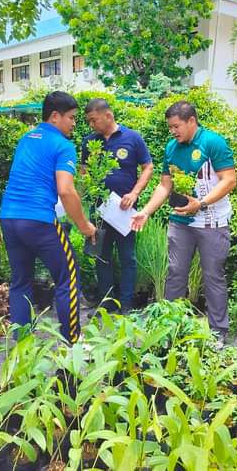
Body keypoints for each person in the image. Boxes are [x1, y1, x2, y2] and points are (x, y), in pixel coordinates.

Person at [131, 100, 237, 346]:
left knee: (213, 277)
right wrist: (145, 212)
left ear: (191, 121)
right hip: (180, 221)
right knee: (175, 274)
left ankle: (218, 333)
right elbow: (164, 185)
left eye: (176, 126)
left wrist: (201, 203)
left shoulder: (212, 142)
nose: (173, 131)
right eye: (170, 127)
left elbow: (229, 180)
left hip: (212, 222)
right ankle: (169, 329)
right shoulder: (171, 147)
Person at [0, 91, 96, 344]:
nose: (74, 123)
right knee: (68, 278)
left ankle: (21, 346)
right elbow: (66, 190)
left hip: (9, 217)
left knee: (20, 281)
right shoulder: (63, 145)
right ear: (55, 116)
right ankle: (72, 341)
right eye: (71, 117)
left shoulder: (26, 139)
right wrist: (84, 226)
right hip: (38, 219)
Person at [81, 98, 153, 313]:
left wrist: (134, 193)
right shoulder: (89, 142)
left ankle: (126, 305)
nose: (91, 125)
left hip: (125, 212)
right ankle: (106, 304)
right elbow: (84, 172)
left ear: (108, 116)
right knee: (101, 257)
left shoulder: (132, 138)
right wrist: (87, 190)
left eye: (93, 120)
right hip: (99, 211)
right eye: (88, 121)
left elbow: (148, 167)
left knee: (127, 258)